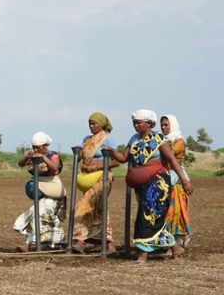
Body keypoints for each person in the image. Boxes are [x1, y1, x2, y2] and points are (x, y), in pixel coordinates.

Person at [106, 109, 194, 264]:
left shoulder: (158, 138)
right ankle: (175, 248)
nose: (136, 125)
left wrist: (185, 181)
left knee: (146, 217)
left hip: (158, 182)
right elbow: (123, 158)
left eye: (139, 122)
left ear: (149, 123)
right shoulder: (134, 139)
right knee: (153, 216)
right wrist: (112, 151)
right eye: (134, 122)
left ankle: (143, 254)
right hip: (141, 185)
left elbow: (172, 160)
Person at [71, 112, 120, 254]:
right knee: (99, 209)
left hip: (102, 177)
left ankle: (80, 240)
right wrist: (78, 152)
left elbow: (116, 161)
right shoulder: (87, 139)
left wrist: (95, 166)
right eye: (90, 124)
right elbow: (81, 158)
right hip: (88, 178)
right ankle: (109, 245)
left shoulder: (107, 140)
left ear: (102, 125)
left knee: (85, 206)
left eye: (94, 124)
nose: (92, 126)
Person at [14, 131, 67, 252]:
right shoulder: (33, 155)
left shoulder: (53, 156)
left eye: (38, 147)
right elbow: (20, 164)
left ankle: (62, 242)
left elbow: (55, 168)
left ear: (45, 145)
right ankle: (30, 244)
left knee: (45, 214)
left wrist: (43, 158)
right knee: (37, 213)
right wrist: (28, 157)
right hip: (40, 187)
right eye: (34, 147)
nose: (35, 149)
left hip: (53, 188)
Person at [161, 114, 194, 248]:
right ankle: (172, 242)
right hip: (165, 177)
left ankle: (178, 240)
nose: (163, 128)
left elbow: (170, 156)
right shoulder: (163, 140)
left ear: (172, 125)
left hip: (177, 178)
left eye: (166, 125)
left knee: (175, 211)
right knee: (166, 210)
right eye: (162, 125)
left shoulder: (178, 141)